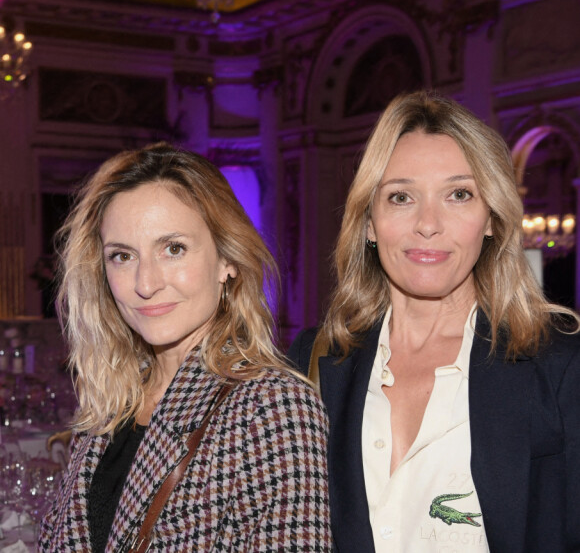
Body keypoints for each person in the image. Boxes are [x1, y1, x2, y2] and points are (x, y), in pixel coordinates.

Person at [289, 91, 580, 553]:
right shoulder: (316, 361)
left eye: (459, 194)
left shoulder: (558, 365)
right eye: (401, 197)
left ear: (491, 219)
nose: (428, 223)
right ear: (369, 221)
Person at [39, 142, 332, 552]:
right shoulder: (112, 400)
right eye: (122, 256)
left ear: (226, 260)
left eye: (173, 248)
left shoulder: (272, 407)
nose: (145, 283)